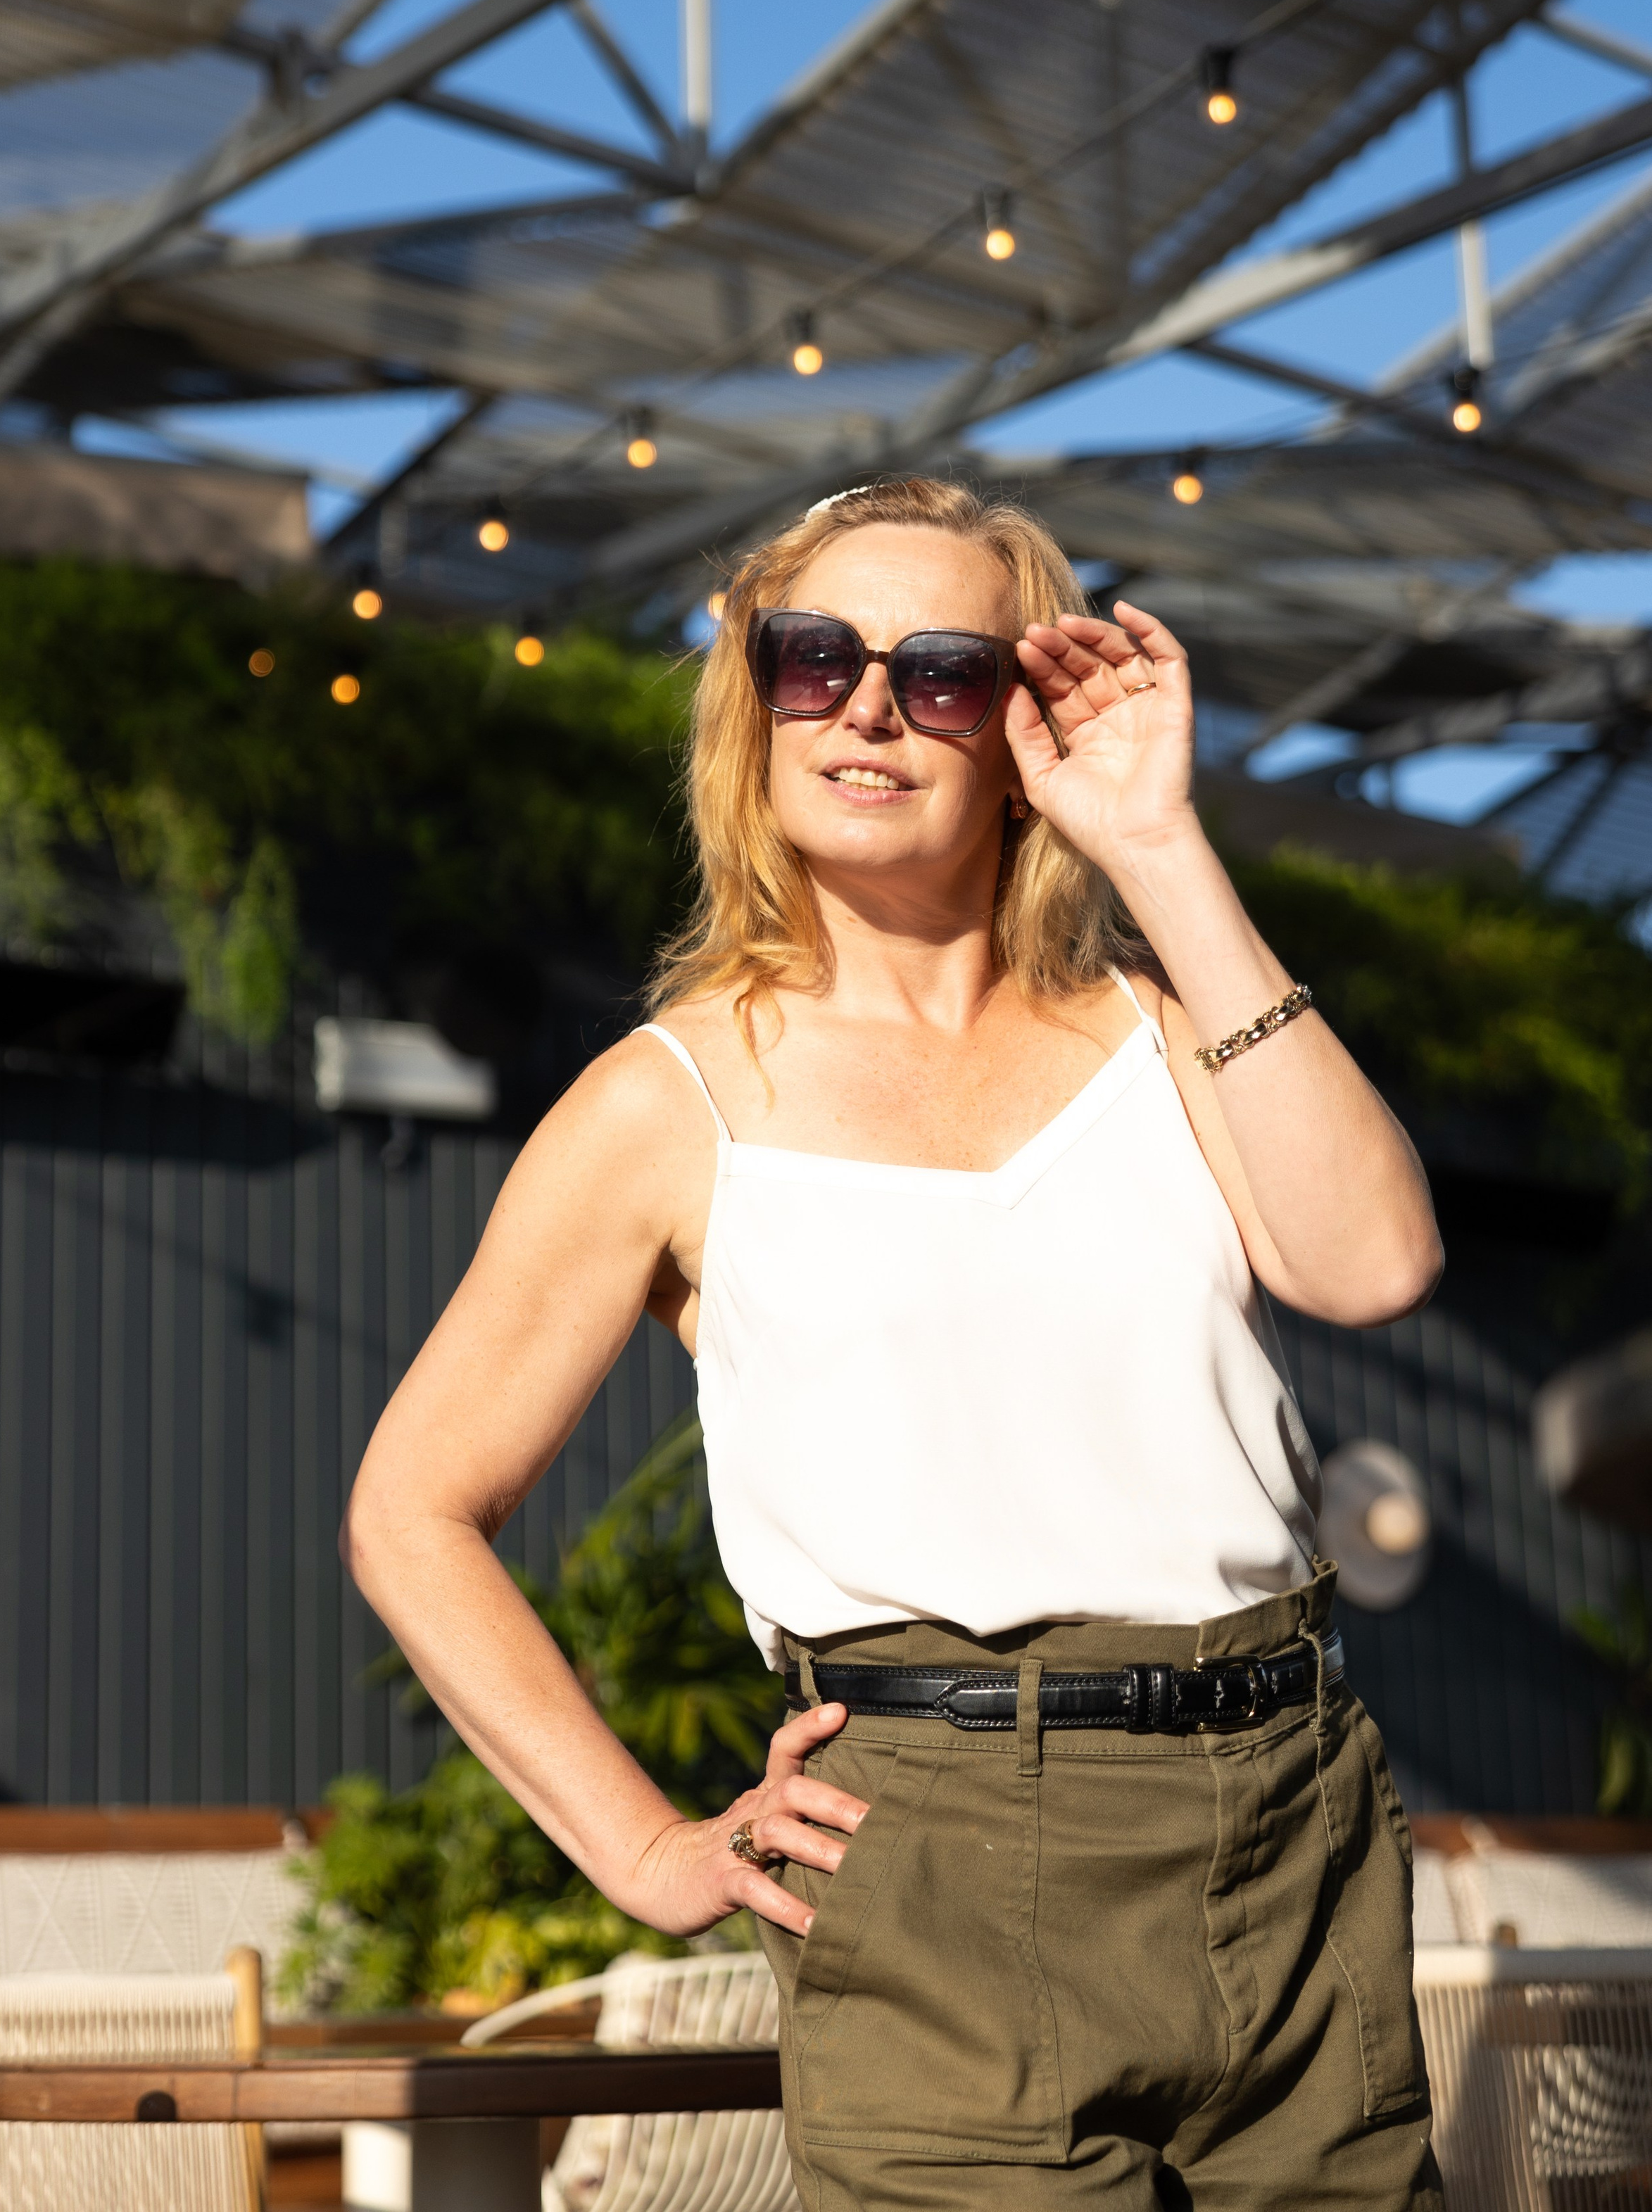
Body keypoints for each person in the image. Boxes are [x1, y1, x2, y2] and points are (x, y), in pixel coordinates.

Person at [346, 474, 1444, 2210]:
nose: (864, 705)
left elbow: (1371, 1259)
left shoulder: (1160, 1038)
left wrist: (1156, 845)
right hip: (931, 1848)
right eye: (812, 658)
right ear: (754, 700)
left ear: (1023, 725)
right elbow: (411, 1509)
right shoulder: (669, 1102)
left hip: (1287, 1816)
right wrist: (641, 1847)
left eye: (941, 671)